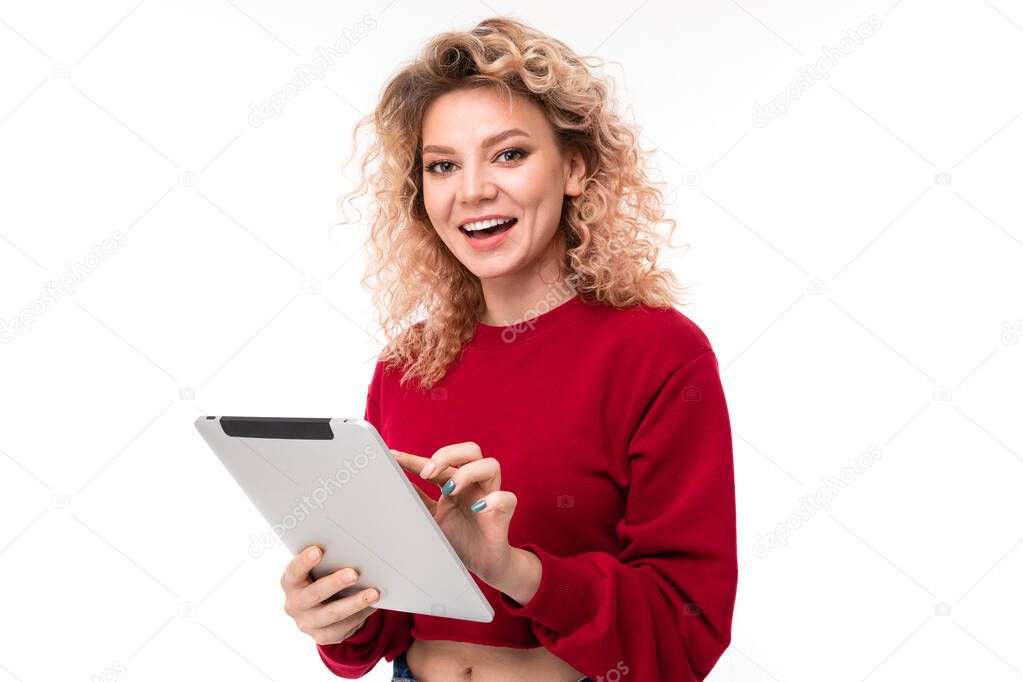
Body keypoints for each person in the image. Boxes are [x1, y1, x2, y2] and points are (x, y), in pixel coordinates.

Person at [280, 16, 737, 682]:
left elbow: (683, 633)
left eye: (509, 154)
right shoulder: (406, 366)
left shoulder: (658, 354)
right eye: (442, 166)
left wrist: (509, 568)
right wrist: (336, 612)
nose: (471, 190)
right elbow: (388, 616)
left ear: (574, 168)